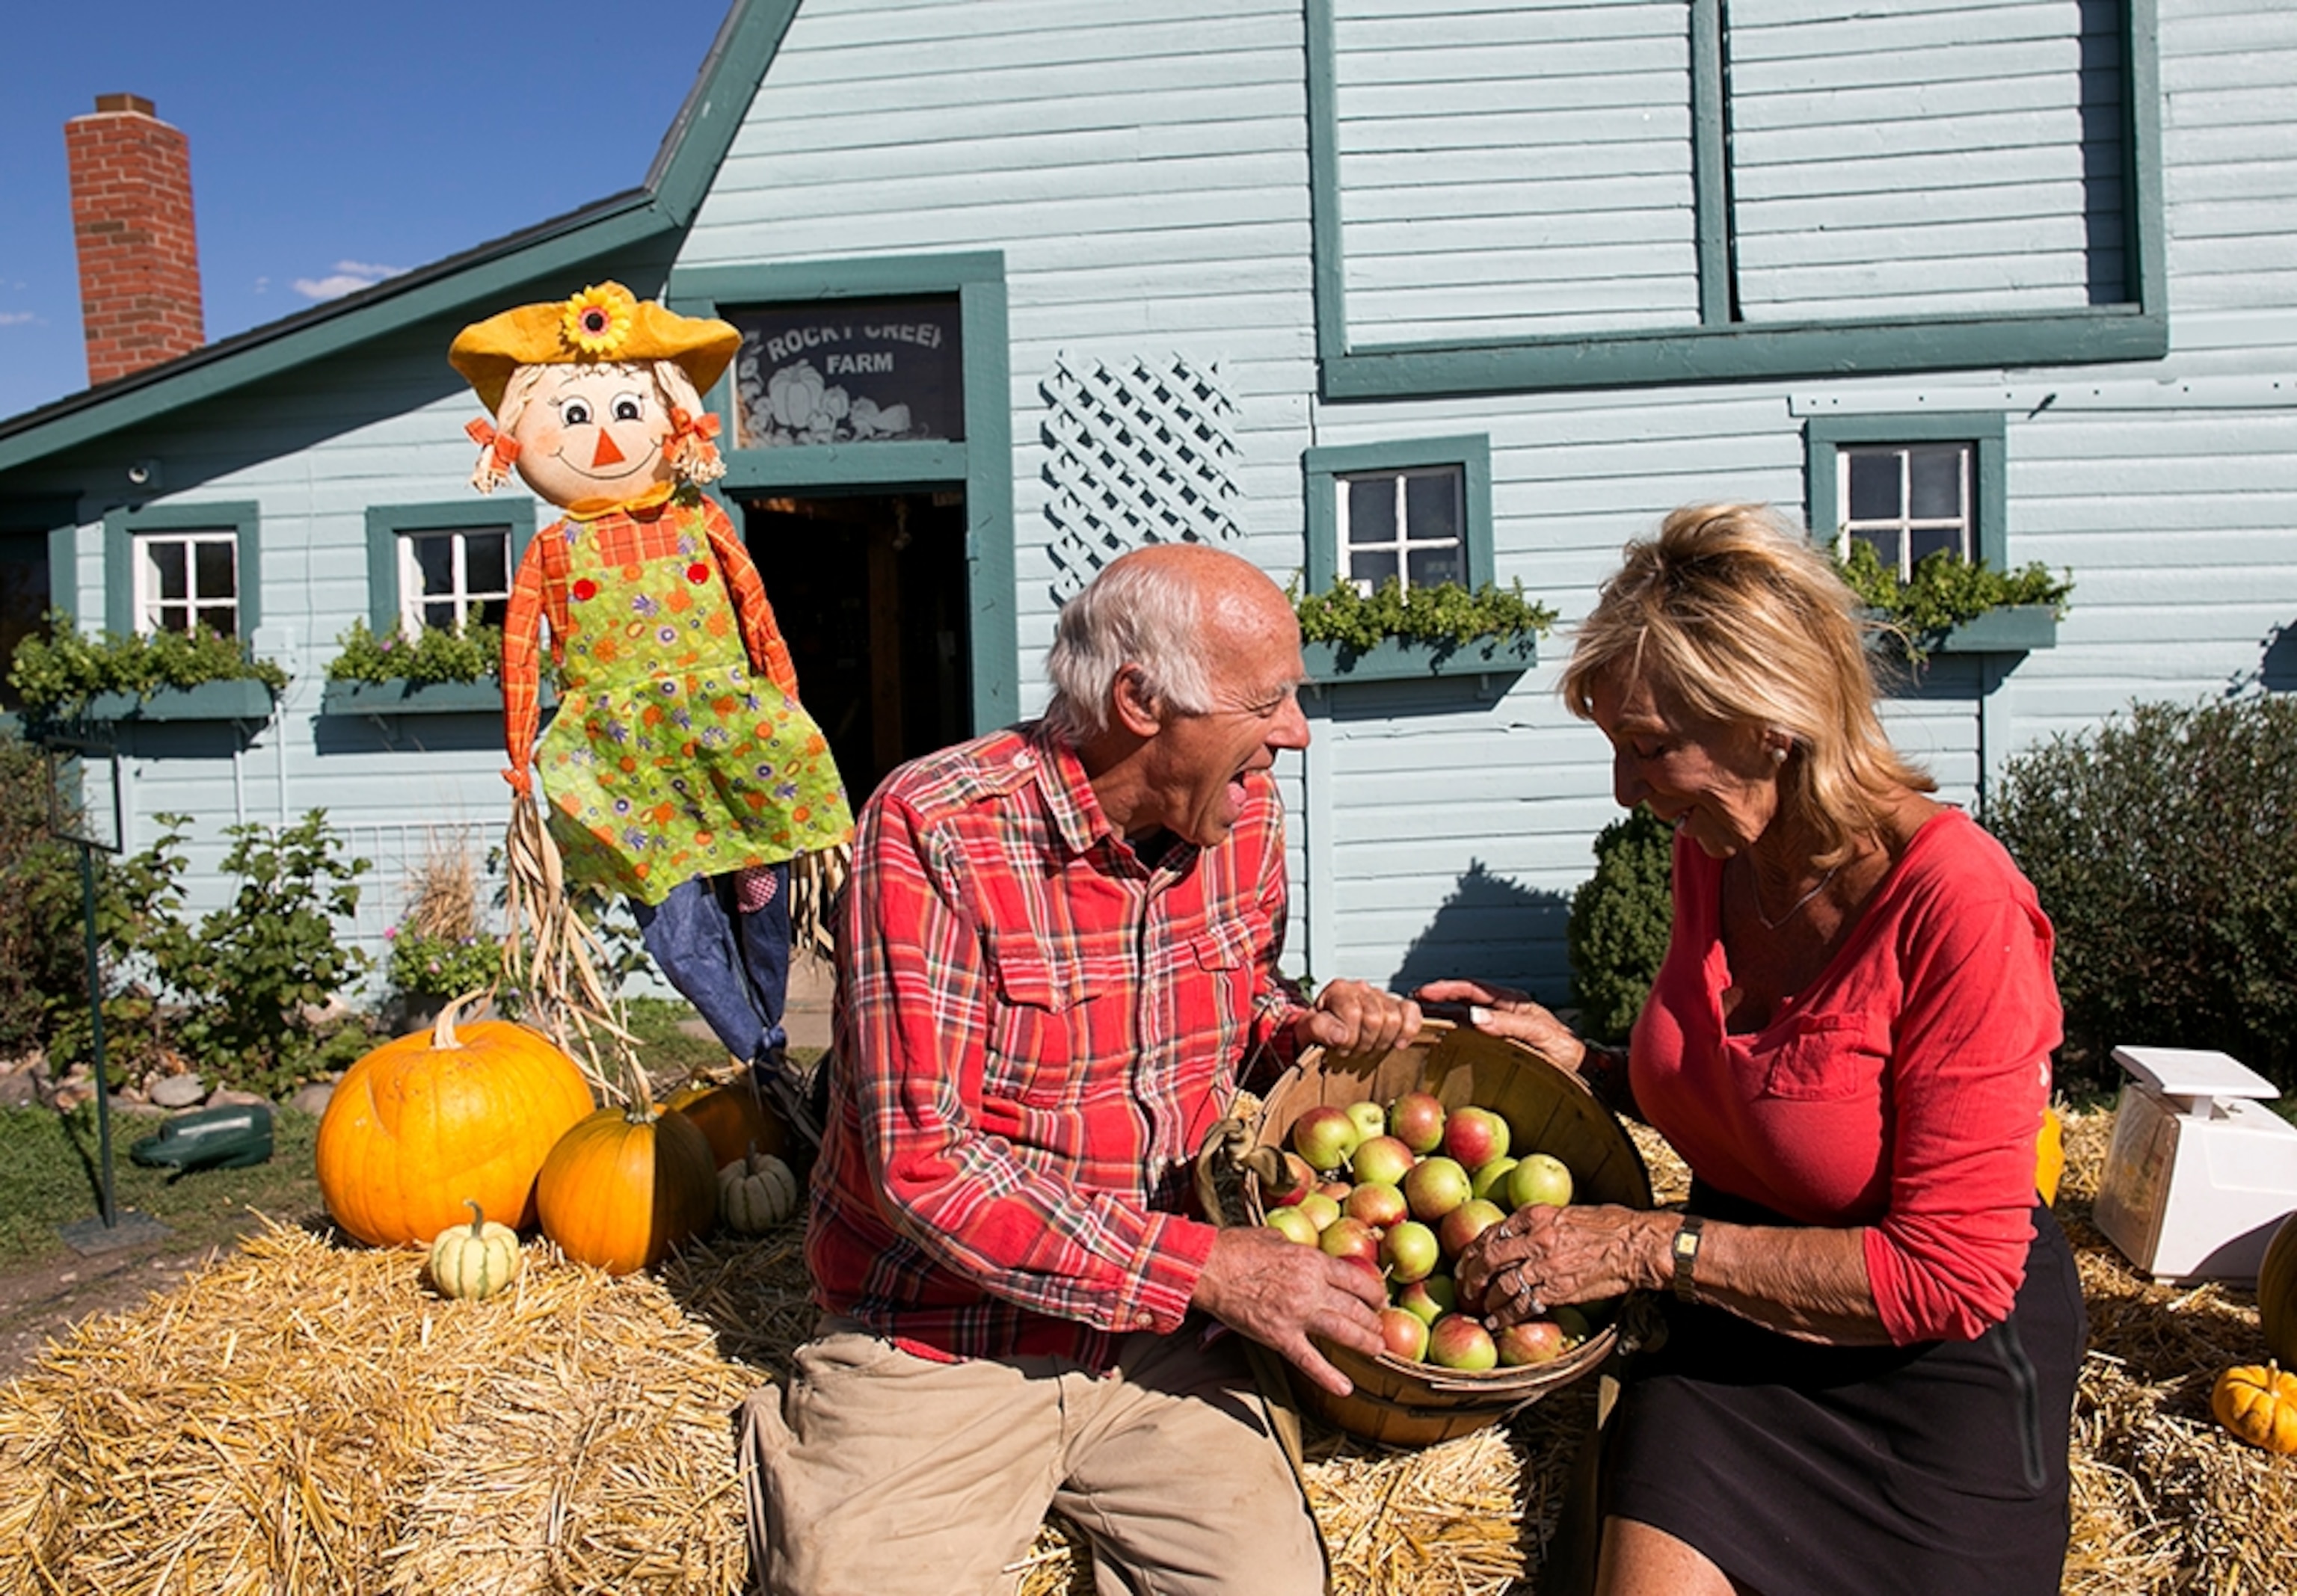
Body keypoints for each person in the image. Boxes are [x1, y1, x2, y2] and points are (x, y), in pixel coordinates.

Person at [1421, 503, 2085, 1596]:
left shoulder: (1959, 902)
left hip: (1925, 1372)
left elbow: (1949, 1275)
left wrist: (1649, 1247)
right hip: (1735, 1338)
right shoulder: (1720, 848)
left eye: (1648, 747)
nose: (1626, 790)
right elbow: (1774, 1101)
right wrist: (1590, 1065)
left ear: (1772, 721)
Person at [738, 543, 1422, 1595]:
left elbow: (1237, 1006)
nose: (1295, 730)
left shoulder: (1241, 817)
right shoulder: (937, 829)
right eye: (1267, 702)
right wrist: (1206, 1269)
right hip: (941, 1338)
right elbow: (928, 1166)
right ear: (1139, 701)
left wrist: (1303, 1031)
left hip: (1158, 1346)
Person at [448, 283, 852, 1139]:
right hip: (619, 762)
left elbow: (759, 617)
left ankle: (767, 1037)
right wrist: (520, 757)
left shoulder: (703, 519)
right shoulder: (552, 550)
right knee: (671, 913)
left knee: (759, 886)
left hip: (730, 738)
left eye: (626, 409)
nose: (602, 437)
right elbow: (518, 653)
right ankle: (758, 1048)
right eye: (574, 416)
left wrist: (785, 708)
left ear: (672, 419)